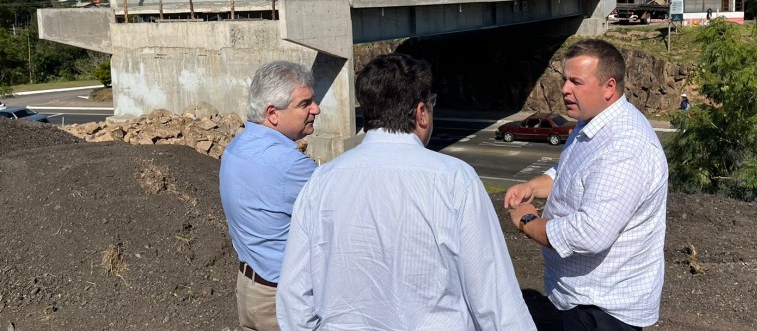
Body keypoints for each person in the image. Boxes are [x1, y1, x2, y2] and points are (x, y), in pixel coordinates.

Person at [277, 53, 535, 331]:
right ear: (422, 112)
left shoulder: (321, 181)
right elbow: (495, 298)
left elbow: (295, 297)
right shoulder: (454, 179)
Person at [504, 39, 668, 330]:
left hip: (602, 310)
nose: (565, 89)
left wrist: (528, 221)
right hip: (581, 297)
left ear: (609, 87)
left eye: (576, 82)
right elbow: (571, 172)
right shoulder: (591, 121)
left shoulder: (624, 147)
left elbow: (590, 233)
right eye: (565, 79)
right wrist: (534, 186)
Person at [220, 60, 321, 331]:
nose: (316, 109)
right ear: (272, 113)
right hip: (281, 299)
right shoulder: (291, 166)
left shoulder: (235, 148)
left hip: (248, 288)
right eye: (304, 104)